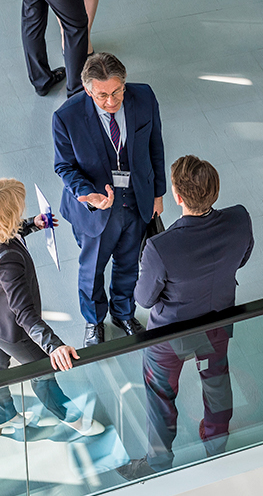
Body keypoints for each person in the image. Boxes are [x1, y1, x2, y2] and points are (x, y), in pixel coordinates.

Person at [135, 155, 254, 470]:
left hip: (169, 337)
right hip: (217, 323)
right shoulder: (240, 219)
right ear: (215, 190)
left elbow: (144, 299)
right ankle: (216, 440)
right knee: (217, 381)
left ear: (177, 196)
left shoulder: (159, 248)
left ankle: (159, 461)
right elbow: (241, 259)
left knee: (161, 395)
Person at [0, 178, 103, 437]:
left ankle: (3, 417)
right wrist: (54, 346)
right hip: (10, 329)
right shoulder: (7, 260)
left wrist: (31, 224)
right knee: (42, 370)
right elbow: (24, 313)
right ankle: (73, 419)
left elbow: (5, 229)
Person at [53, 53, 166, 347]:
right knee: (92, 269)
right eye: (102, 95)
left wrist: (158, 193)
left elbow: (155, 144)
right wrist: (87, 195)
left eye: (117, 92)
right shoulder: (67, 117)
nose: (112, 101)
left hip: (137, 198)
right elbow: (64, 166)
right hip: (96, 208)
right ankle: (93, 320)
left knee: (130, 262)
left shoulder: (144, 97)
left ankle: (123, 312)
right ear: (88, 89)